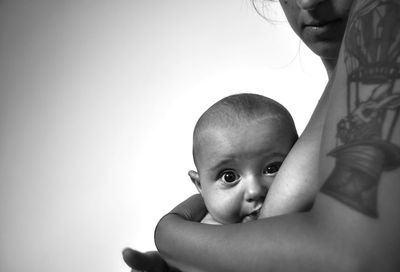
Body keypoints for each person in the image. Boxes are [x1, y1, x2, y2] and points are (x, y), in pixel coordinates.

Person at [123, 0, 400, 271]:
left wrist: (171, 235)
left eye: (272, 168)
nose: (309, 2)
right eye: (229, 176)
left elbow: (354, 256)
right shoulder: (339, 96)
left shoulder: (385, 14)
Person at [188, 93, 298, 225]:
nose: (254, 191)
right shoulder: (203, 237)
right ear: (200, 186)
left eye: (272, 169)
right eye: (229, 177)